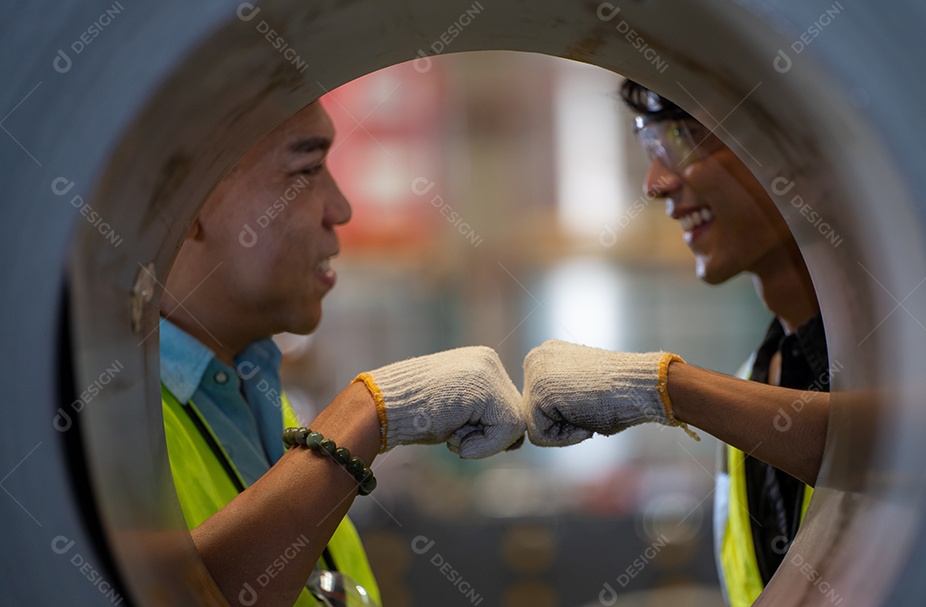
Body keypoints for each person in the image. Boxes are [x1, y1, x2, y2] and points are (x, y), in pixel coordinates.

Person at [160, 101, 526, 607]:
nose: (342, 208)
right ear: (189, 199)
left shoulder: (254, 389)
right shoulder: (111, 418)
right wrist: (371, 410)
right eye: (307, 170)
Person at [522, 81, 831, 607]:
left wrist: (657, 386)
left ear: (789, 144)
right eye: (650, 145)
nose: (656, 183)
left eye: (684, 137)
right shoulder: (761, 373)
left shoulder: (904, 352)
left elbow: (888, 446)